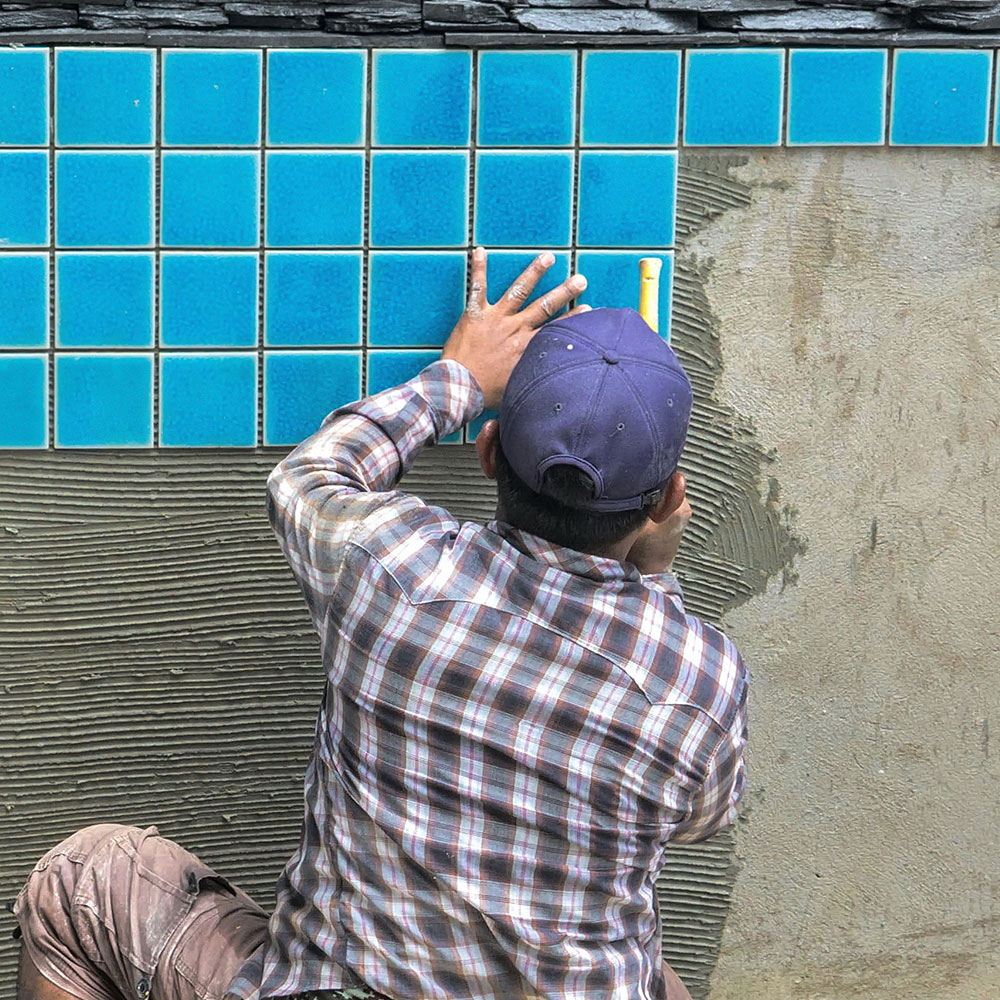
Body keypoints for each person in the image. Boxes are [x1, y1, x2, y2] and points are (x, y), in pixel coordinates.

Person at [14, 250, 748, 1000]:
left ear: (491, 454)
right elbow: (699, 816)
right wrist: (652, 578)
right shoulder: (700, 681)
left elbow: (306, 479)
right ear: (667, 503)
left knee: (83, 883)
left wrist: (458, 378)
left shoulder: (391, 570)